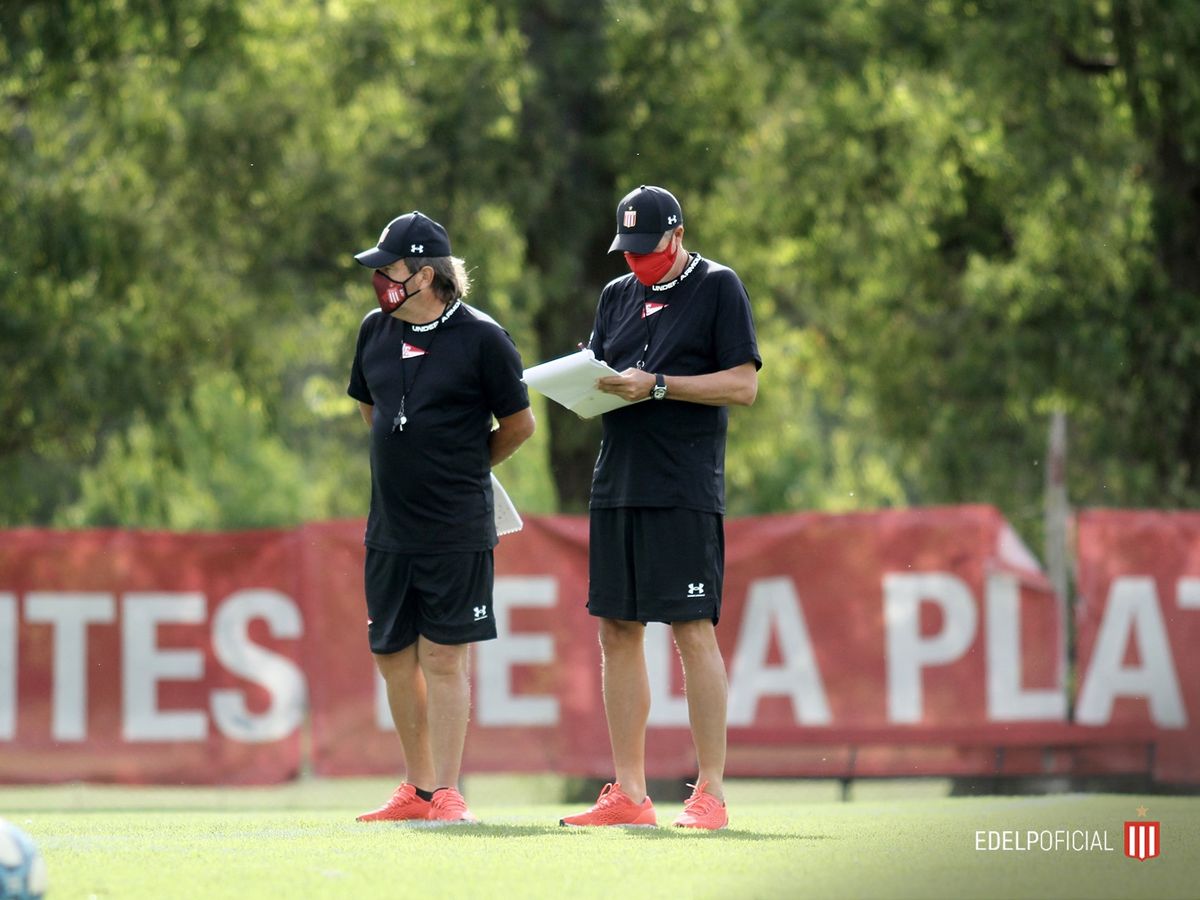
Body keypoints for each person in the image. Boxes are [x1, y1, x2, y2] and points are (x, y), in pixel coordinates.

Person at [560, 186, 760, 831]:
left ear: (676, 235)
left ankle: (712, 793)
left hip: (683, 486)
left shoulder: (719, 287)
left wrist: (661, 387)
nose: (636, 260)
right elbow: (604, 369)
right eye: (628, 249)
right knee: (617, 631)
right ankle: (630, 793)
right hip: (617, 480)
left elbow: (743, 384)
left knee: (691, 630)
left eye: (647, 248)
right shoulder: (616, 295)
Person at [347, 210, 535, 824]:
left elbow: (519, 424)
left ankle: (449, 792)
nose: (379, 280)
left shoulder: (483, 338)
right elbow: (370, 409)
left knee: (446, 657)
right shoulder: (374, 331)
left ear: (426, 274)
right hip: (389, 526)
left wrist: (462, 466)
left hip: (456, 526)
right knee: (392, 655)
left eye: (389, 269)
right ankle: (418, 785)